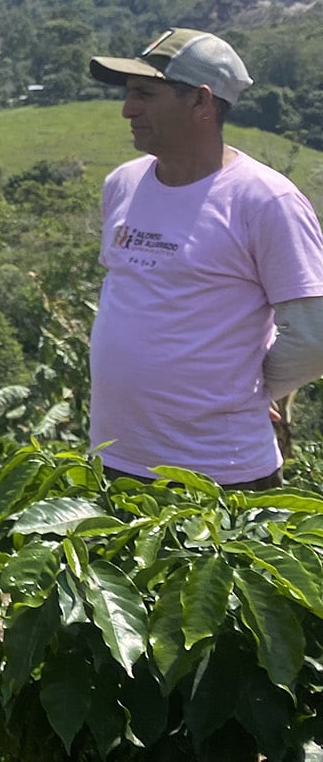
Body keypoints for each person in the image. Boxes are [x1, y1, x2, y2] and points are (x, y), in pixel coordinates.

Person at [85, 28, 323, 488]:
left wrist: (252, 390)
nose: (127, 110)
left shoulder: (264, 200)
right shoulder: (123, 184)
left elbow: (314, 337)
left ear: (201, 103)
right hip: (115, 460)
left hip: (219, 473)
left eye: (145, 94)